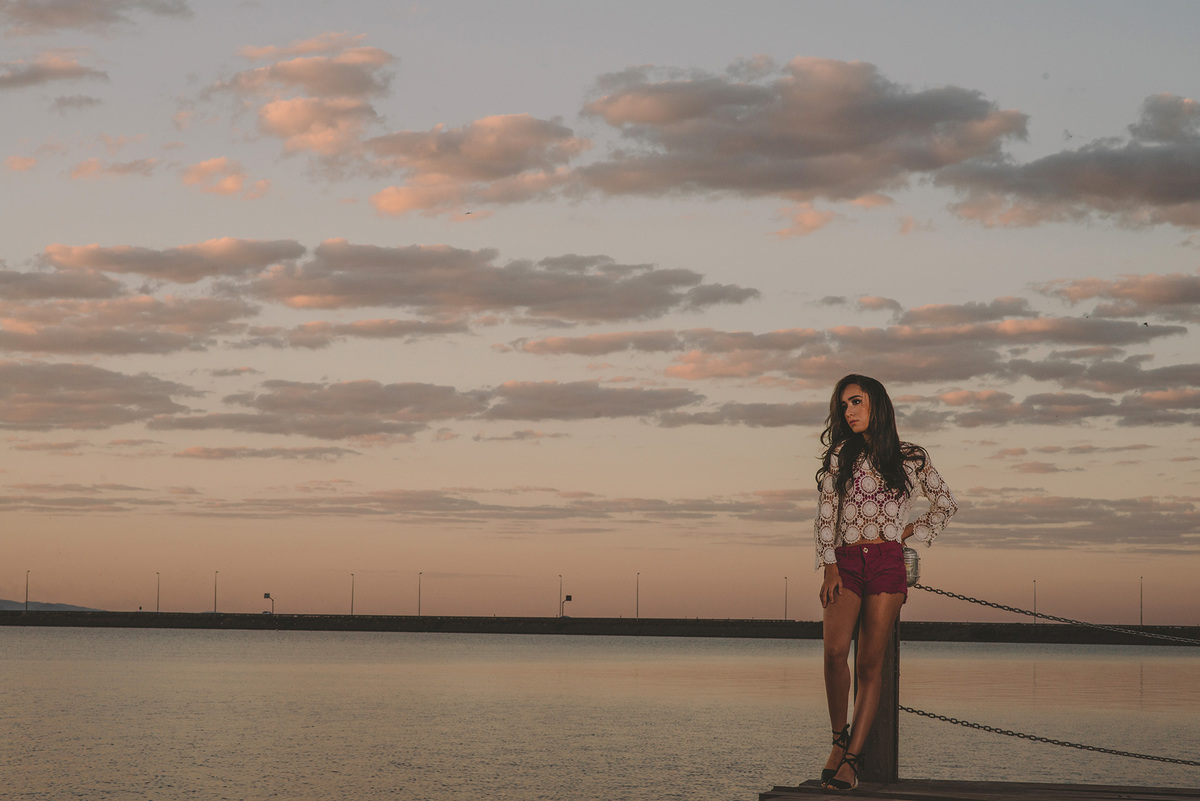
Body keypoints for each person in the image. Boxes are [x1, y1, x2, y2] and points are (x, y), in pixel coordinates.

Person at [814, 374, 957, 790]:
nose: (849, 412)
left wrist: (908, 534)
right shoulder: (841, 454)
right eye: (843, 406)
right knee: (834, 652)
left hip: (887, 562)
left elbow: (946, 505)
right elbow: (826, 514)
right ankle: (838, 739)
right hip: (845, 560)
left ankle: (851, 763)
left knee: (869, 665)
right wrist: (829, 565)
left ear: (877, 404)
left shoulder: (911, 457)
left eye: (856, 402)